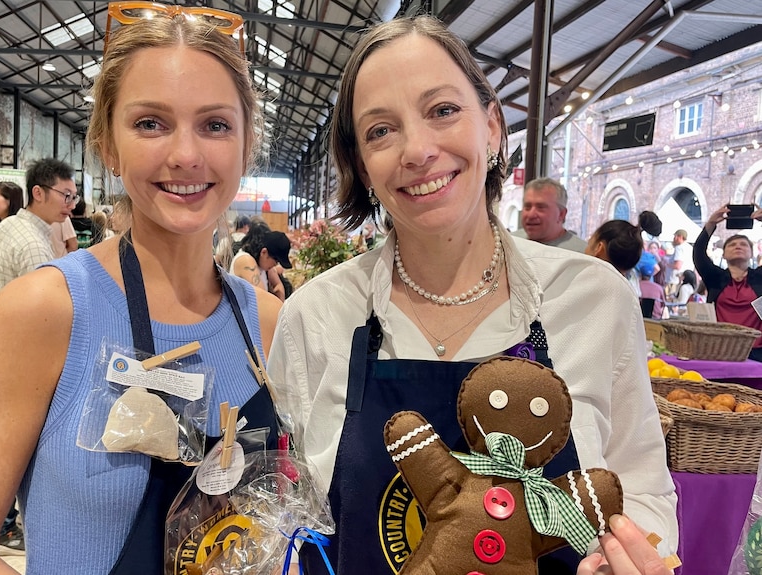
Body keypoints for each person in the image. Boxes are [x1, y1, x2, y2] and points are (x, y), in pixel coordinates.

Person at [266, 16, 676, 575]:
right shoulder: (316, 316)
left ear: (492, 126)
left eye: (442, 110)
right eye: (380, 130)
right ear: (362, 166)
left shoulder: (593, 299)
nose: (417, 150)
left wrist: (626, 556)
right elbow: (282, 509)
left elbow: (643, 487)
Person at [0, 10, 283, 574]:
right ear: (109, 145)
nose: (186, 154)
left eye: (215, 125)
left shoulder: (270, 323)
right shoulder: (44, 311)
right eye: (151, 123)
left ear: (245, 144)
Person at [0, 159, 77, 301]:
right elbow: (43, 305)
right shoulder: (34, 246)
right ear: (38, 193)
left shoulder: (9, 223)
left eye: (74, 197)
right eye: (66, 196)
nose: (72, 205)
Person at [693, 204, 762, 360]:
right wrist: (711, 224)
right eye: (732, 244)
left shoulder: (759, 277)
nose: (738, 246)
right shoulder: (715, 278)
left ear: (752, 253)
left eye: (743, 244)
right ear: (723, 254)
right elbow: (698, 252)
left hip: (757, 352)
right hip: (720, 349)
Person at [513, 177, 587, 252]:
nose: (531, 215)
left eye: (541, 207)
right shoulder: (510, 243)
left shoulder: (582, 254)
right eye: (527, 207)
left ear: (561, 214)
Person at [230, 220, 292, 302]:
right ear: (264, 252)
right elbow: (262, 299)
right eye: (276, 260)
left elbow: (278, 285)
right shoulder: (246, 261)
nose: (275, 265)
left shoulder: (263, 263)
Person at [637, 252, 666, 319]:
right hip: (655, 319)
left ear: (640, 274)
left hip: (639, 318)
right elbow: (663, 304)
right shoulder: (659, 288)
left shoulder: (636, 286)